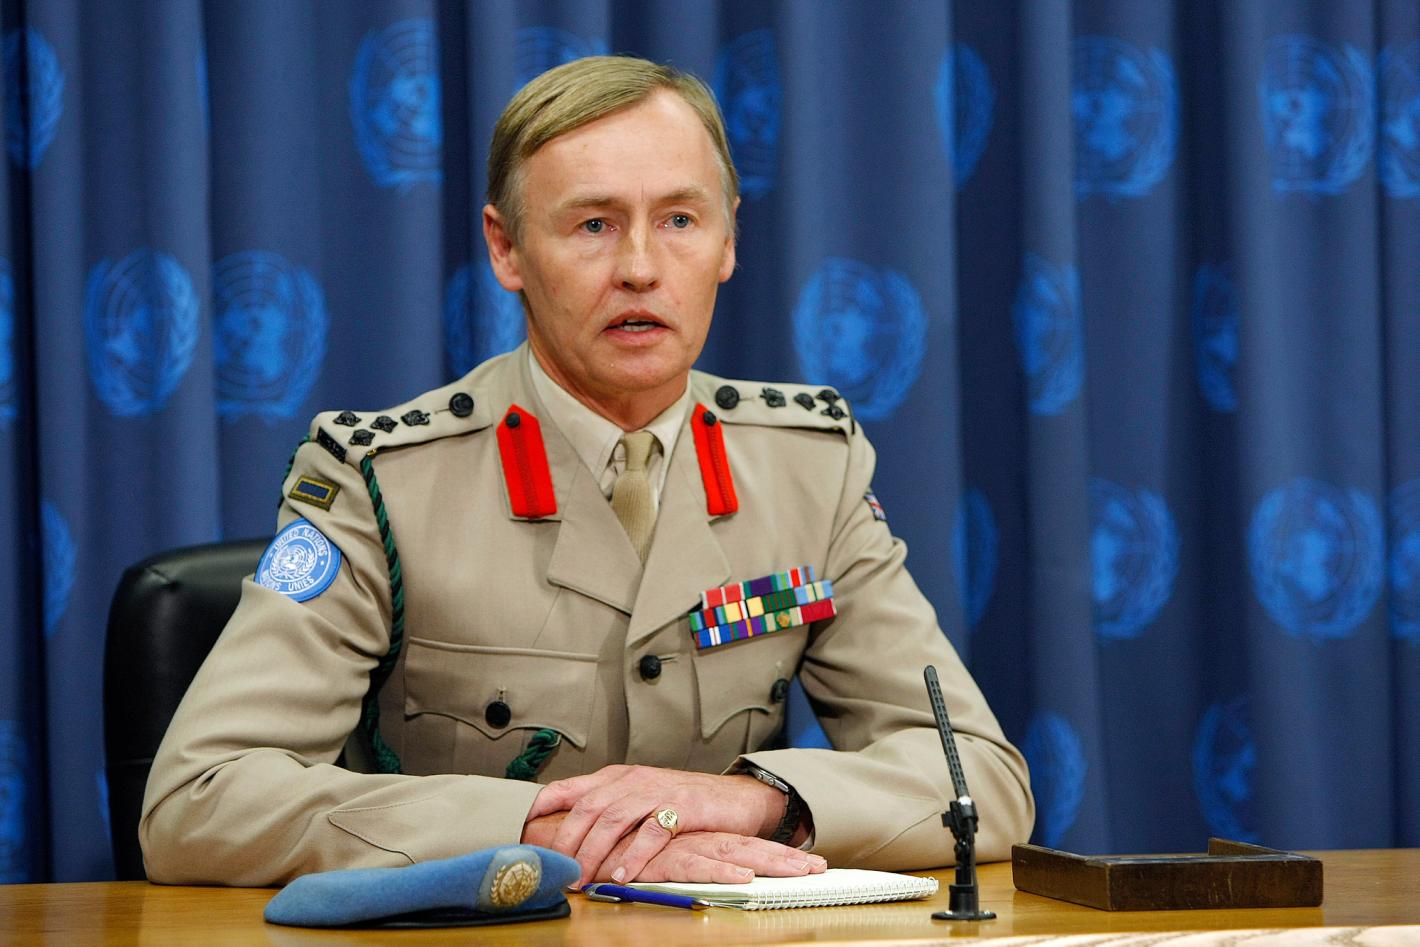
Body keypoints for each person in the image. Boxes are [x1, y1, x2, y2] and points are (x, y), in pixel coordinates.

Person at [141, 55, 1033, 888]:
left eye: (680, 220)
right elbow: (199, 800)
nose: (641, 268)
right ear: (506, 249)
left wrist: (769, 800)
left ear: (727, 242)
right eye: (594, 225)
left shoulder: (810, 467)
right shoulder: (381, 480)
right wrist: (545, 824)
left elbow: (984, 782)